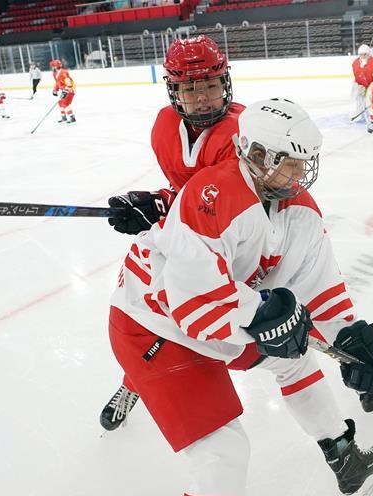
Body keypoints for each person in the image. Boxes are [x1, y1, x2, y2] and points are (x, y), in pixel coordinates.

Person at [108, 97, 373, 496]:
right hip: (153, 326)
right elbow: (194, 308)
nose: (302, 172)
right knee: (221, 450)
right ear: (257, 155)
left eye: (306, 161)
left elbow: (321, 289)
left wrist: (351, 339)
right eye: (291, 162)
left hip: (220, 317)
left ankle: (344, 457)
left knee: (296, 356)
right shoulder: (212, 195)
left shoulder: (298, 209)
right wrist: (263, 314)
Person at [99, 34, 244, 430]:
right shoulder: (164, 127)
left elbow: (223, 205)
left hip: (237, 244)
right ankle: (136, 381)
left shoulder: (242, 132)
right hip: (187, 238)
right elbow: (186, 192)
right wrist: (154, 201)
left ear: (225, 82)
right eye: (190, 88)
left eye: (210, 85)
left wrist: (163, 207)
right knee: (153, 312)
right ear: (173, 90)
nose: (202, 98)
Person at [350, 44, 373, 124]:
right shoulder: (355, 63)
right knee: (359, 97)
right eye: (361, 54)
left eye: (365, 54)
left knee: (371, 97)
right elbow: (357, 75)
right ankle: (361, 114)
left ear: (368, 54)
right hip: (360, 83)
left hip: (371, 82)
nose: (363, 56)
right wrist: (362, 85)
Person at [50, 59, 76, 123]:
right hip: (65, 90)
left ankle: (72, 117)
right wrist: (55, 89)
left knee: (65, 103)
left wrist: (66, 91)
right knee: (60, 102)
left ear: (55, 66)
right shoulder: (55, 74)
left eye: (53, 66)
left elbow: (69, 84)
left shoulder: (63, 72)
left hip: (70, 90)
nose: (52, 67)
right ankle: (63, 117)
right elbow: (58, 83)